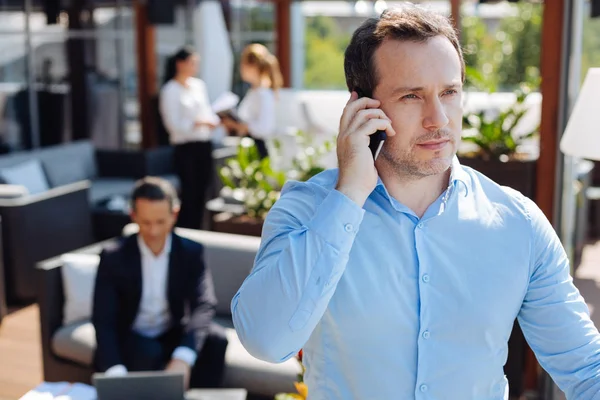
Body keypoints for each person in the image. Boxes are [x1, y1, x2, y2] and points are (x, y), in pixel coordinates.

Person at [231, 5, 600, 399]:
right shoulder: (308, 210)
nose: (437, 118)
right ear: (363, 108)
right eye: (411, 95)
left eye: (449, 92)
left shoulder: (518, 222)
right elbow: (266, 341)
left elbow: (585, 367)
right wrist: (350, 194)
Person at [92, 177, 227, 390]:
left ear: (174, 214)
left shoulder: (191, 252)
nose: (153, 232)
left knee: (217, 339)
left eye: (160, 222)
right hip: (131, 337)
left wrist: (183, 356)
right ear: (133, 216)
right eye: (146, 222)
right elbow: (103, 320)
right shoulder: (113, 257)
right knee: (148, 352)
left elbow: (203, 304)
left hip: (171, 331)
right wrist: (115, 374)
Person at [159, 46, 220, 229]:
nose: (195, 67)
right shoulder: (170, 90)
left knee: (204, 191)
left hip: (204, 145)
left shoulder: (198, 86)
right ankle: (187, 230)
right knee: (189, 192)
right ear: (180, 64)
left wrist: (211, 121)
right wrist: (197, 123)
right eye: (192, 62)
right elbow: (173, 125)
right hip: (186, 149)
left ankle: (201, 228)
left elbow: (207, 112)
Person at [221, 43, 282, 159]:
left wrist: (236, 125)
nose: (241, 68)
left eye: (243, 64)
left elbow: (264, 128)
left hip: (258, 149)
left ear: (252, 66)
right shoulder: (254, 91)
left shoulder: (263, 94)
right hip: (249, 147)